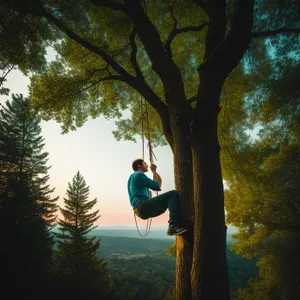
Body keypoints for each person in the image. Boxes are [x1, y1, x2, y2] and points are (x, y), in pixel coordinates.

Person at [127, 158, 187, 236]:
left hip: (139, 210)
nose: (147, 165)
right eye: (145, 163)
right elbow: (156, 186)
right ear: (139, 166)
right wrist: (154, 171)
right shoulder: (139, 174)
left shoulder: (131, 178)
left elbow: (158, 184)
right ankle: (173, 225)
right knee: (172, 194)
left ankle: (174, 224)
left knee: (169, 200)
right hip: (142, 206)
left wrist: (155, 173)